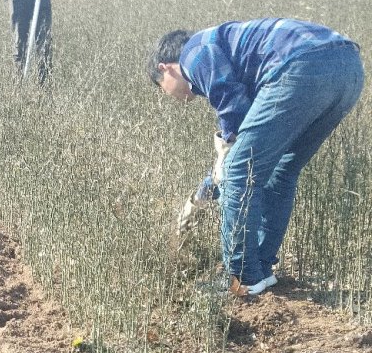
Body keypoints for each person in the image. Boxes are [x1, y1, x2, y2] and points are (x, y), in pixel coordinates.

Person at [148, 19, 364, 296]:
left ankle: (240, 277)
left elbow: (233, 109)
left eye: (163, 88)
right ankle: (260, 271)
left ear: (164, 69)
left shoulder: (194, 52)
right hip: (348, 68)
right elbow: (251, 130)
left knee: (239, 172)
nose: (172, 97)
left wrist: (224, 165)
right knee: (281, 170)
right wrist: (212, 182)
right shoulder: (238, 59)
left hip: (302, 65)